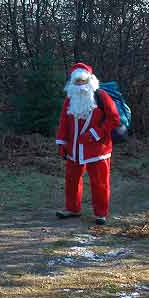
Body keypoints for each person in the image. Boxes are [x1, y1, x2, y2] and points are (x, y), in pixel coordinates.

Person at [55, 63, 120, 225]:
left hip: (98, 149)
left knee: (99, 181)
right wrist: (62, 143)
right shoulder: (69, 98)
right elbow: (63, 122)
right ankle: (72, 208)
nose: (79, 85)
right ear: (72, 83)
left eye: (82, 81)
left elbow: (114, 119)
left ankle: (100, 213)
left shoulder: (102, 96)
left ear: (90, 80)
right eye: (76, 82)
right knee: (71, 179)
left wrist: (95, 134)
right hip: (74, 148)